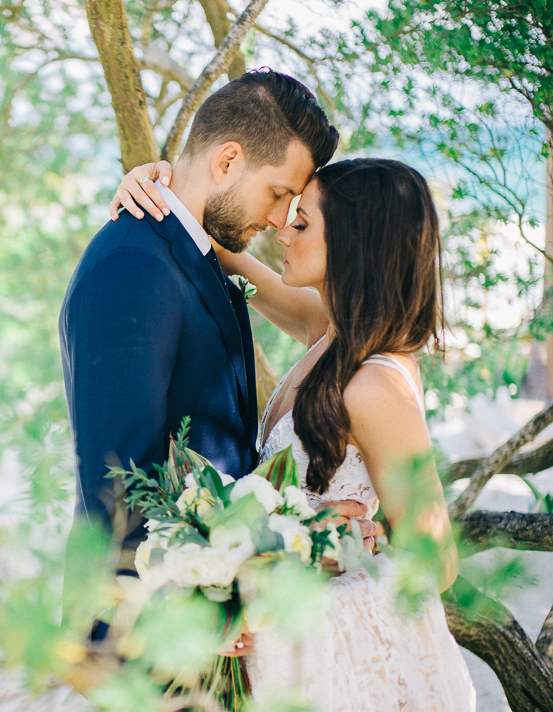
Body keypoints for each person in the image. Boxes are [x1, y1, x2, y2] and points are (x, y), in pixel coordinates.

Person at [114, 157, 476, 710]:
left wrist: (347, 543)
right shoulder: (325, 327)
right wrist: (152, 190)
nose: (282, 230)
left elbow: (437, 565)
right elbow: (217, 251)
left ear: (355, 246)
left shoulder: (376, 386)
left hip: (327, 661)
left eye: (302, 223)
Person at [58, 69, 382, 641]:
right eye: (280, 194)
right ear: (228, 162)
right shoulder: (133, 267)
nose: (282, 219)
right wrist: (210, 620)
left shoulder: (193, 251)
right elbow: (119, 489)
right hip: (152, 640)